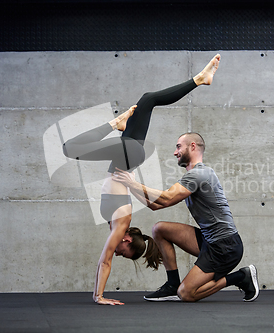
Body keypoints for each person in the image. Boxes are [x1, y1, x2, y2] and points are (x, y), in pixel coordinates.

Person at [62, 54, 222, 305]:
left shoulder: (118, 223)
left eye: (121, 255)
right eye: (124, 253)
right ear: (127, 240)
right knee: (70, 148)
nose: (119, 253)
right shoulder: (121, 223)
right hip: (129, 155)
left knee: (148, 99)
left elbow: (107, 255)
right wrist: (99, 296)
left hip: (129, 155)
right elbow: (105, 260)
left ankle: (200, 80)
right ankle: (117, 122)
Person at [112, 133, 259, 303]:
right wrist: (130, 185)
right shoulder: (192, 176)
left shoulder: (199, 174)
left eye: (178, 146)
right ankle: (172, 285)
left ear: (193, 146)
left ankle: (241, 277)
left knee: (186, 294)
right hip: (209, 241)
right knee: (159, 229)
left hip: (225, 247)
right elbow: (155, 205)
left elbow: (165, 198)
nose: (175, 152)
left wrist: (131, 183)